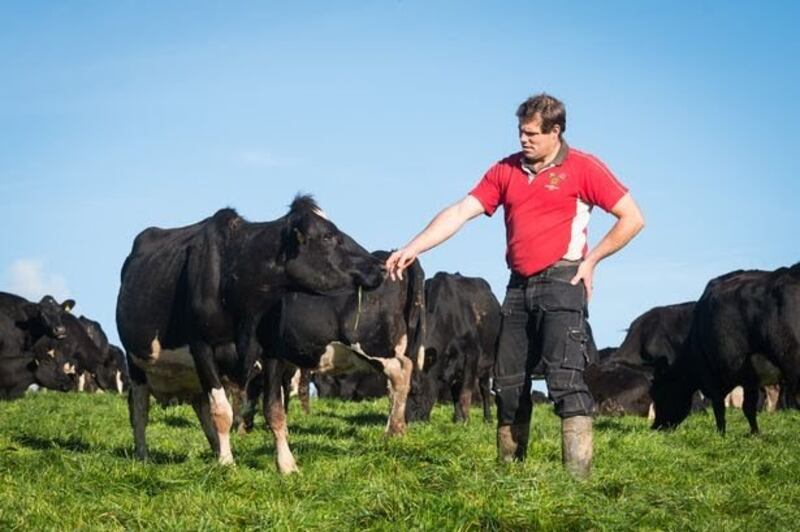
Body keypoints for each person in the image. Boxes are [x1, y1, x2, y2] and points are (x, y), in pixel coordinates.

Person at [385, 93, 644, 479]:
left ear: (556, 131)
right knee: (507, 383)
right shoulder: (505, 171)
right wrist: (413, 246)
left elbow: (632, 217)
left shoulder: (583, 167)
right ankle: (509, 478)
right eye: (520, 132)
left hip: (562, 283)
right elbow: (460, 211)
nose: (523, 139)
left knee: (565, 382)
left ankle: (579, 486)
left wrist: (592, 260)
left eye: (532, 134)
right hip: (518, 289)